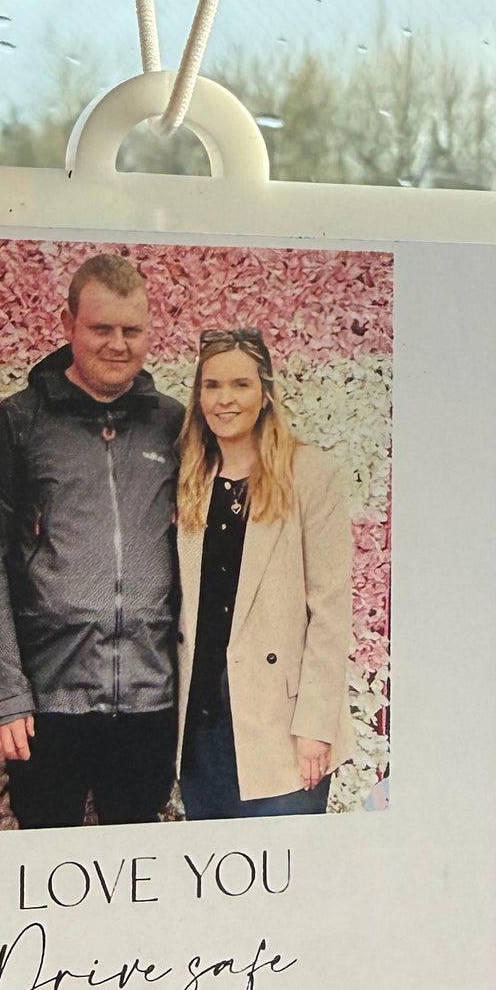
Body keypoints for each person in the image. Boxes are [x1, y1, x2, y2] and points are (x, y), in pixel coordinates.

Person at [0, 252, 185, 829]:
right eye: (101, 328)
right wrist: (4, 695)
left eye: (132, 330)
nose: (118, 344)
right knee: (47, 863)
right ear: (68, 325)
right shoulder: (19, 423)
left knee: (135, 864)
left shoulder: (174, 425)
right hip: (47, 703)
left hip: (150, 700)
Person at [175, 327, 356, 818]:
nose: (225, 399)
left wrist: (315, 726)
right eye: (212, 385)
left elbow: (330, 613)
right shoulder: (190, 477)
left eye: (240, 384)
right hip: (203, 727)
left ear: (265, 393)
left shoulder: (309, 473)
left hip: (283, 729)